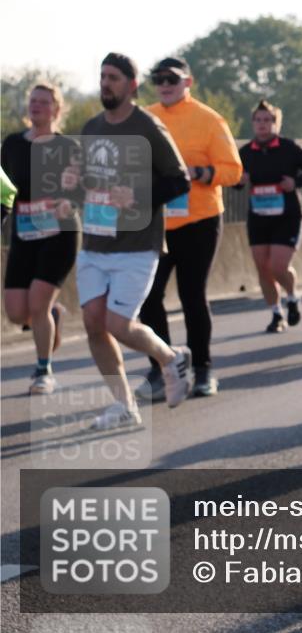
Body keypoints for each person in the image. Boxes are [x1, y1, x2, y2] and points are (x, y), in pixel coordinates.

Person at [63, 53, 194, 429]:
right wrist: (73, 185)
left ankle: (170, 358)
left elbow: (178, 180)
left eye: (114, 77)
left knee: (118, 324)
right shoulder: (90, 128)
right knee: (93, 323)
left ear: (131, 85)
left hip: (138, 245)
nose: (106, 83)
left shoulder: (148, 127)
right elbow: (92, 184)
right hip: (95, 243)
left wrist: (136, 194)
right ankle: (124, 406)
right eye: (103, 76)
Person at [137, 58, 242, 400]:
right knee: (149, 298)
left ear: (188, 82)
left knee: (191, 295)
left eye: (172, 79)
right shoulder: (145, 118)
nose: (165, 84)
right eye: (159, 79)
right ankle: (162, 368)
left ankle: (203, 370)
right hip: (158, 221)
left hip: (199, 219)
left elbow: (233, 171)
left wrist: (200, 173)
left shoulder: (209, 119)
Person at [1, 83, 80, 394]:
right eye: (33, 101)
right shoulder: (11, 145)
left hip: (59, 233)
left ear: (56, 110)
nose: (36, 106)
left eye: (44, 102)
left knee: (37, 303)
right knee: (16, 312)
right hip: (24, 230)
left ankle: (43, 371)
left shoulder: (67, 147)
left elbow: (79, 185)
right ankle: (53, 316)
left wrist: (69, 200)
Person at [236, 100, 302, 333]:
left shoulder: (289, 147)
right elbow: (234, 181)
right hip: (259, 216)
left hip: (288, 215)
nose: (262, 125)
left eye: (267, 120)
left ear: (276, 123)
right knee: (262, 267)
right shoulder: (244, 152)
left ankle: (292, 297)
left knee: (277, 266)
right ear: (253, 123)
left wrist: (295, 182)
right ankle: (276, 314)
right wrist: (239, 180)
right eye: (258, 120)